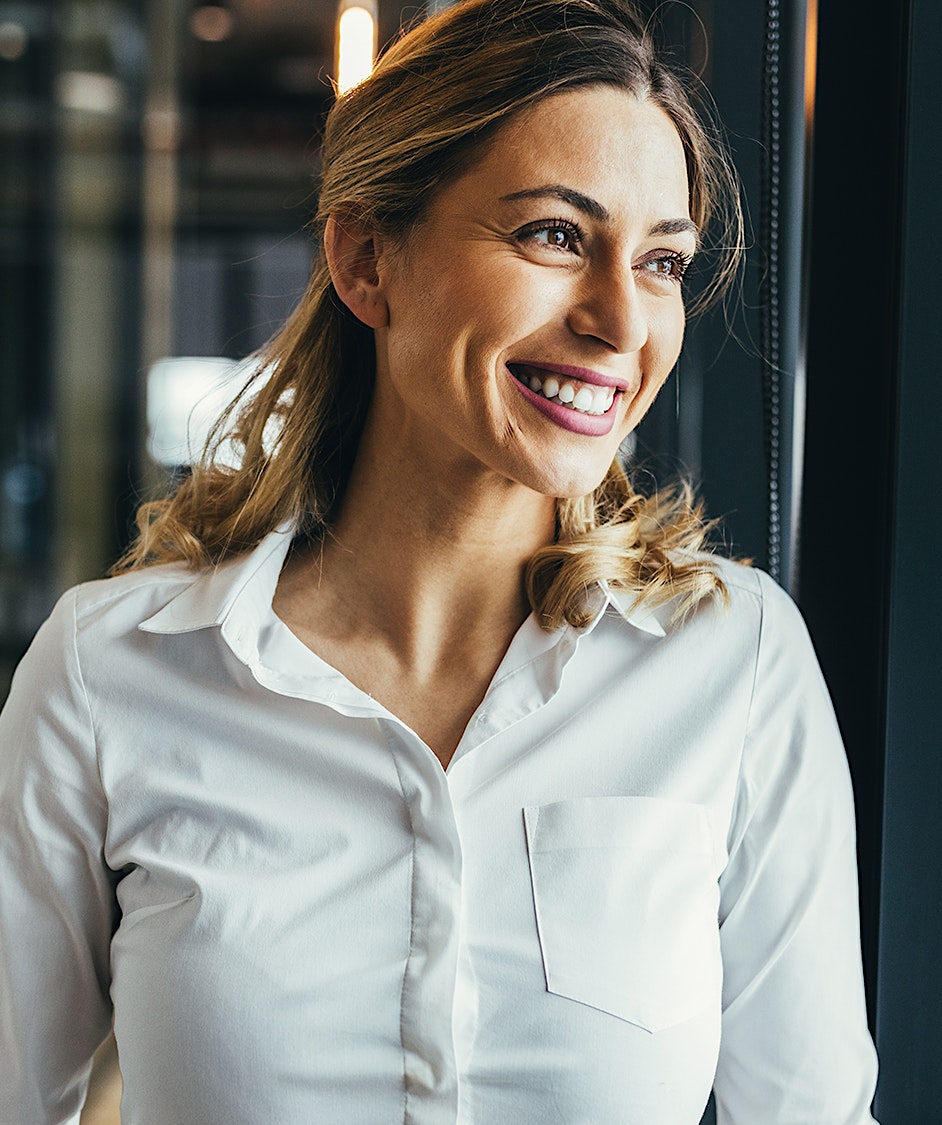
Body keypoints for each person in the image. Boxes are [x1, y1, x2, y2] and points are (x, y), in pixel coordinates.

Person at [0, 0, 879, 1121]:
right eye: (555, 235)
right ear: (368, 260)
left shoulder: (736, 661)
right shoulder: (108, 673)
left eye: (661, 260)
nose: (621, 320)